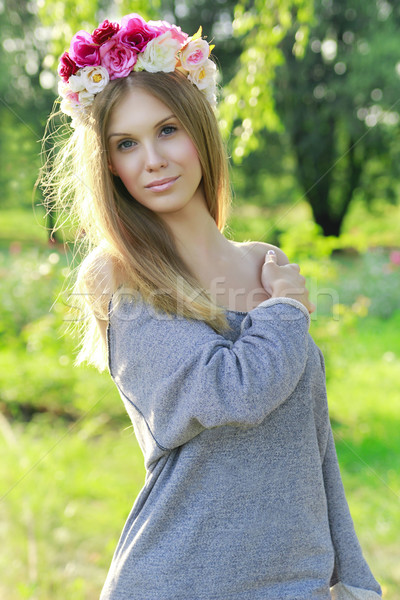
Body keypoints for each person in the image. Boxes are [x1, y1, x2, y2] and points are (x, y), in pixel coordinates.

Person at [41, 12, 382, 600]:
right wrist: (286, 314)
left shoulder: (265, 264)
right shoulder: (121, 275)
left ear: (200, 129)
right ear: (111, 166)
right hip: (179, 581)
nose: (152, 158)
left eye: (167, 129)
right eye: (126, 143)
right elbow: (232, 391)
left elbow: (312, 445)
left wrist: (353, 579)